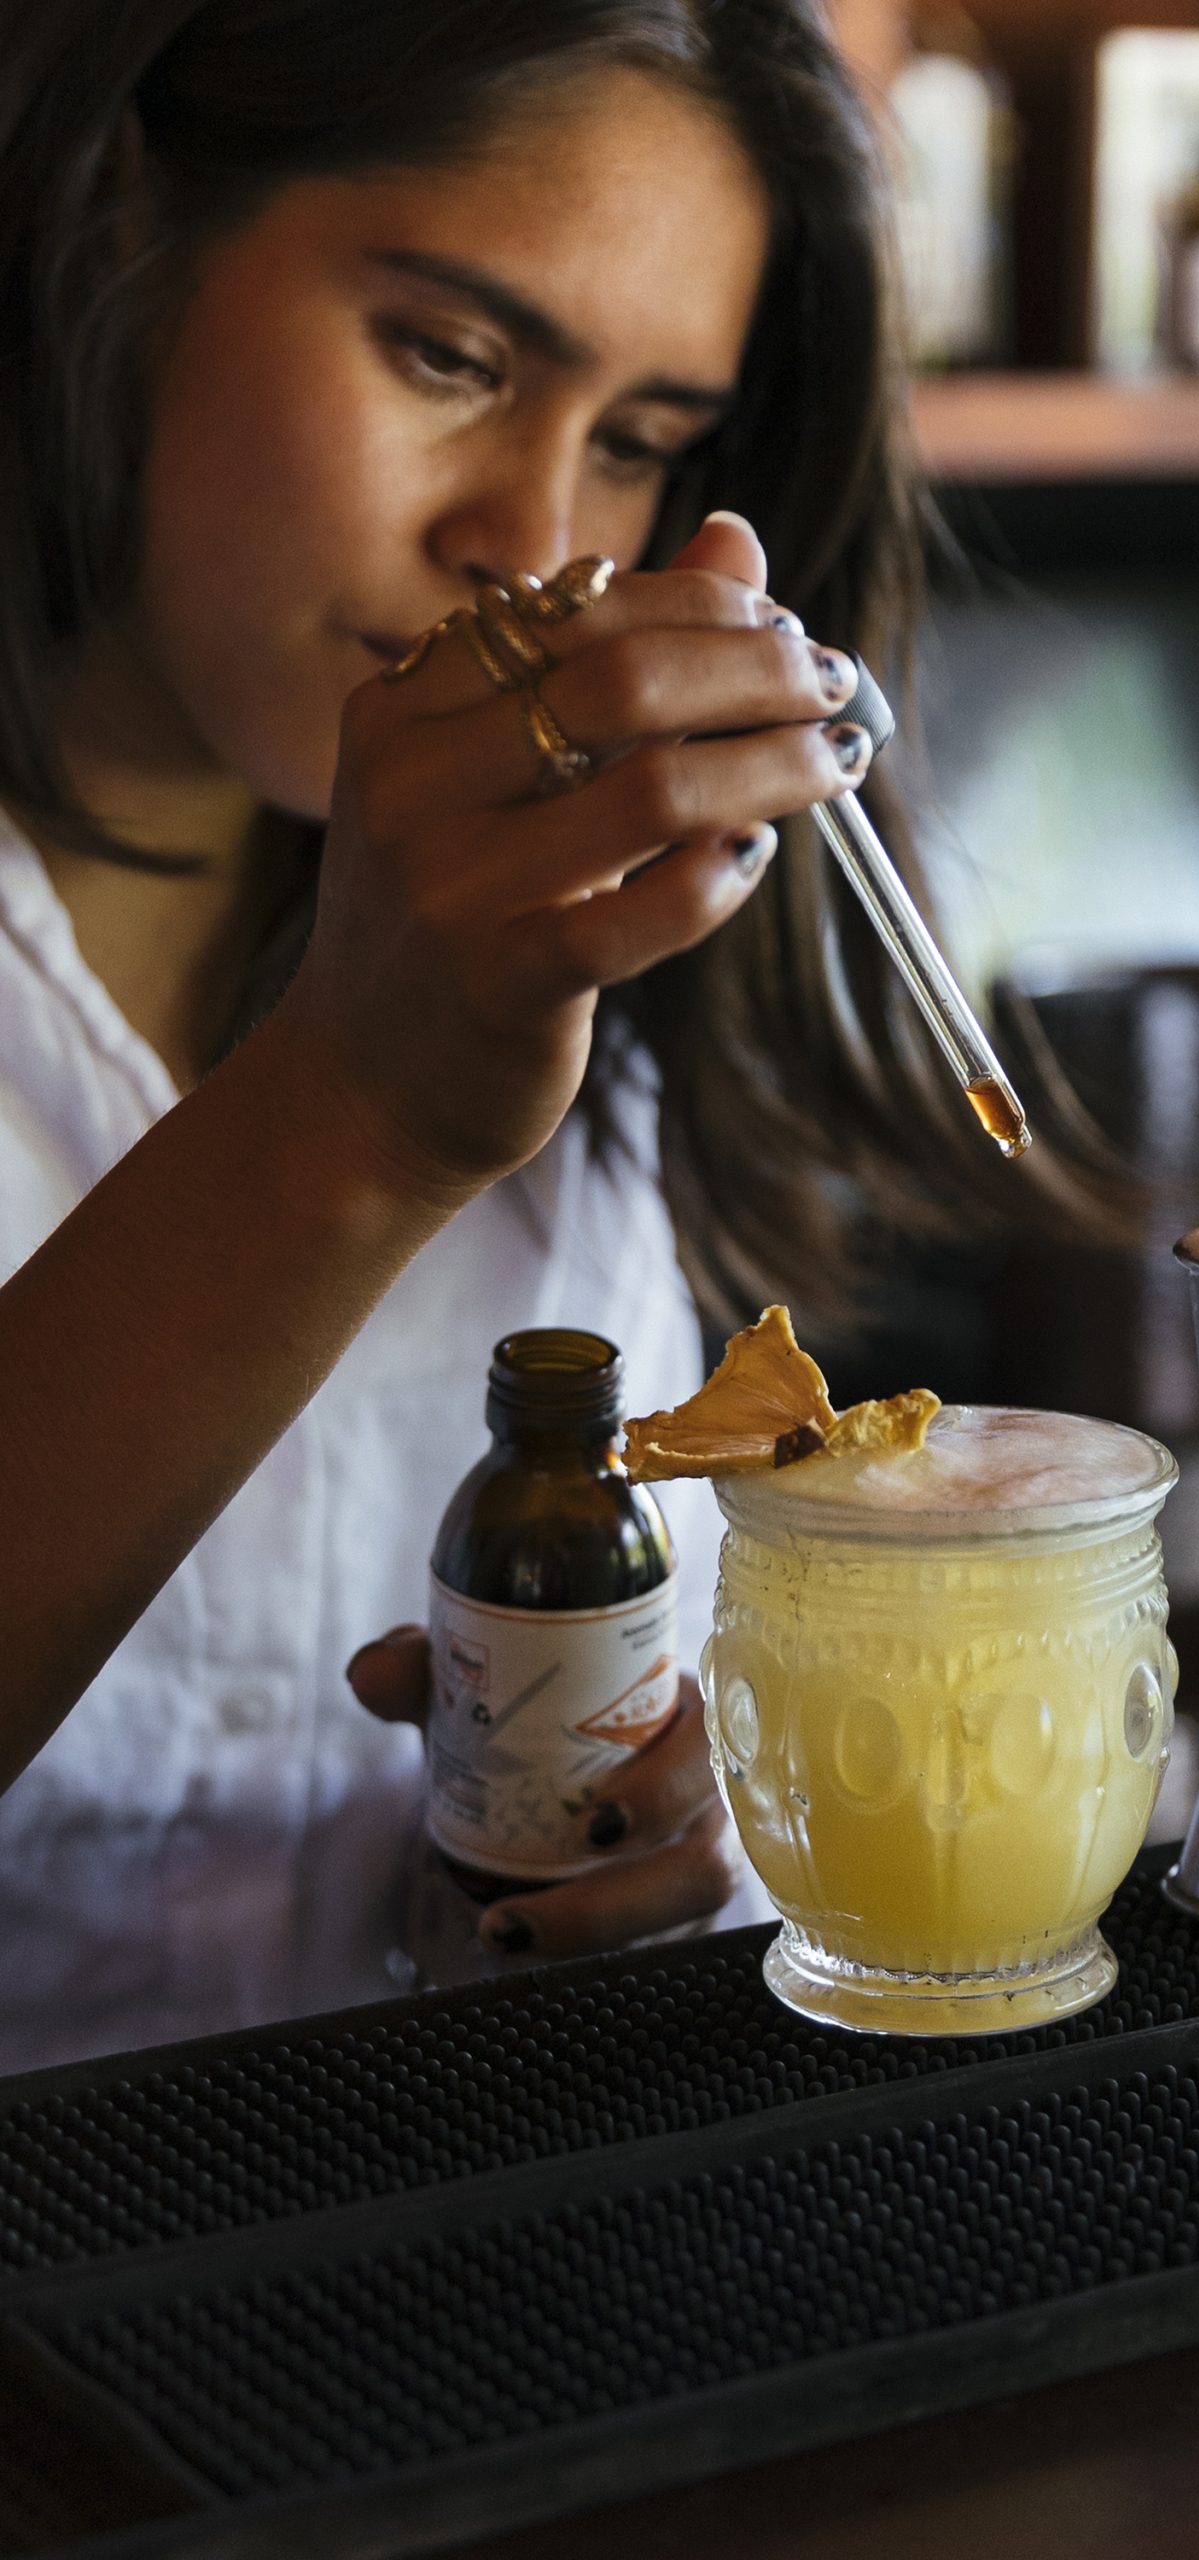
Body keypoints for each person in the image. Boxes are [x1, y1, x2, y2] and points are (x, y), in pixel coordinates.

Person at [0, 0, 1067, 2073]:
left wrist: (611, 1876)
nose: (533, 537)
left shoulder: (585, 1023)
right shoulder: (423, 1048)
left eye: (641, 441)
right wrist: (353, 1119)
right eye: (449, 356)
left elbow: (572, 1835)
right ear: (131, 215)